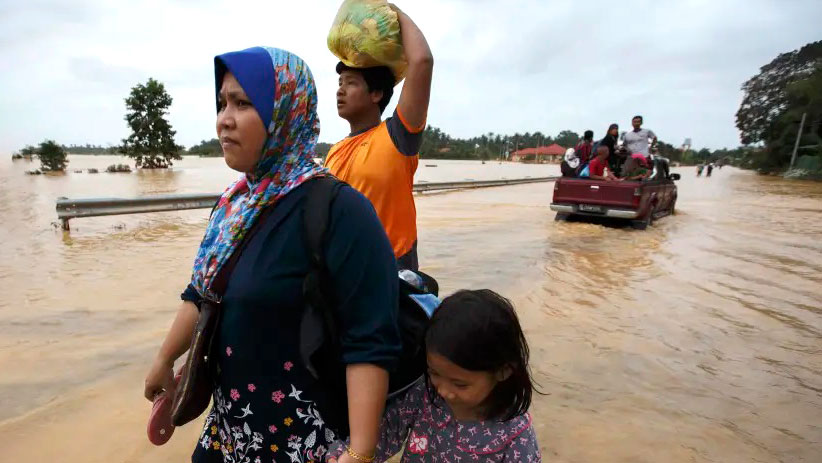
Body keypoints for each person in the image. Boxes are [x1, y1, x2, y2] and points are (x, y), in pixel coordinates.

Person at [143, 47, 402, 463]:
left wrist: (360, 452)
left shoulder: (340, 211)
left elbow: (369, 342)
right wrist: (164, 358)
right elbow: (204, 291)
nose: (224, 118)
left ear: (286, 113)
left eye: (243, 103)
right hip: (229, 433)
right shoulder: (234, 204)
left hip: (304, 443)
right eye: (223, 102)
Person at [327, 290, 542, 462]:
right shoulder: (425, 396)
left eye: (460, 384)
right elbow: (386, 431)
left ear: (503, 371)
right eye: (434, 373)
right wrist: (346, 454)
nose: (444, 390)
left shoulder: (516, 436)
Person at [324, 5, 433, 271]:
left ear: (376, 94)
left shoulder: (397, 137)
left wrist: (394, 12)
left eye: (350, 83)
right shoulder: (333, 152)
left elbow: (422, 61)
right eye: (340, 84)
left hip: (391, 273)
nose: (340, 91)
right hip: (341, 274)